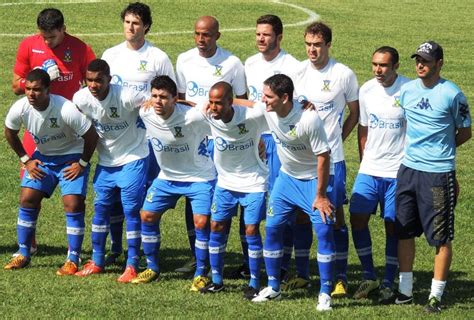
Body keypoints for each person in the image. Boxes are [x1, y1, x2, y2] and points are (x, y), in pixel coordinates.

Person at [11, 7, 96, 255]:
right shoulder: (29, 46)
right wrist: (37, 76)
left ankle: (75, 250)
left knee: (73, 195)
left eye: (53, 37)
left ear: (63, 29)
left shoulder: (80, 49)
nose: (47, 41)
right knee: (30, 186)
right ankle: (30, 243)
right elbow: (16, 86)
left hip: (70, 128)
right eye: (44, 37)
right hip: (37, 128)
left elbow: (94, 81)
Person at [395, 41, 471, 313]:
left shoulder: (452, 94)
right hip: (408, 171)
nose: (420, 64)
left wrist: (443, 151)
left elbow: (464, 132)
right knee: (403, 230)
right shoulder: (407, 91)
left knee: (440, 237)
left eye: (426, 60)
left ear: (440, 64)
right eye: (418, 59)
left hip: (437, 175)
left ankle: (435, 296)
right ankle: (404, 291)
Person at [250, 74, 335, 312]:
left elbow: (323, 157)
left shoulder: (309, 119)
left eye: (268, 97)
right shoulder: (269, 110)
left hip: (312, 181)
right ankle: (273, 287)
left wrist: (320, 195)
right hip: (285, 180)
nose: (264, 101)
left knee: (324, 230)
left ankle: (325, 293)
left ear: (285, 97)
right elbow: (244, 105)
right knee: (273, 228)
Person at [101, 1, 176, 266]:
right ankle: (116, 247)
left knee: (141, 194)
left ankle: (145, 247)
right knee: (113, 197)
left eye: (136, 23)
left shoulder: (158, 57)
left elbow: (171, 93)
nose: (130, 27)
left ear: (146, 26)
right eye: (127, 22)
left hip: (148, 136)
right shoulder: (111, 55)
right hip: (117, 136)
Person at [3, 69, 98, 275]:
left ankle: (73, 258)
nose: (31, 94)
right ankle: (23, 253)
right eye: (28, 89)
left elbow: (91, 135)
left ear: (48, 90)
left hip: (71, 157)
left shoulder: (65, 108)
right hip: (43, 158)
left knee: (72, 203)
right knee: (27, 198)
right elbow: (9, 131)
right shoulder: (20, 108)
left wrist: (81, 163)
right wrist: (26, 159)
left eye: (36, 90)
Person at [174, 15, 247, 273]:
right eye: (197, 34)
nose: (201, 40)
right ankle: (197, 255)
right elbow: (180, 101)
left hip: (223, 141)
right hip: (194, 141)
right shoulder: (184, 60)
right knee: (195, 195)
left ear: (218, 35)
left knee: (225, 194)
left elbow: (241, 103)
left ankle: (224, 255)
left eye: (206, 35)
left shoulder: (232, 63)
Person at [293, 21, 359, 298]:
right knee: (301, 215)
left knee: (334, 216)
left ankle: (340, 277)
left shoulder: (343, 74)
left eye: (317, 45)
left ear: (328, 45)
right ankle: (302, 274)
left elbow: (354, 113)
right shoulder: (296, 72)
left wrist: (336, 143)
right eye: (308, 44)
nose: (312, 49)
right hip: (301, 159)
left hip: (332, 161)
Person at [132, 76, 216, 291]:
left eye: (163, 97)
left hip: (199, 177)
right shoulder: (146, 113)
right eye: (155, 96)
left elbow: (222, 120)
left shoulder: (194, 117)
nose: (158, 101)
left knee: (201, 223)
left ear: (175, 99)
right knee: (147, 215)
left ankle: (201, 273)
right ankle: (152, 267)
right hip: (167, 177)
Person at [73, 59, 149, 283]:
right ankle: (97, 260)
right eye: (89, 80)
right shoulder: (81, 98)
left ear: (110, 80)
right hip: (106, 161)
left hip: (134, 157)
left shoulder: (127, 96)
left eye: (99, 80)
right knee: (101, 209)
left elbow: (157, 104)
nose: (93, 85)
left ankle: (133, 264)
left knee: (131, 210)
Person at [243, 14, 302, 284]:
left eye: (266, 34)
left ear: (279, 37)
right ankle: (251, 262)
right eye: (257, 34)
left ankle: (283, 264)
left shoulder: (293, 66)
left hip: (279, 143)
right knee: (253, 199)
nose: (260, 39)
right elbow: (250, 105)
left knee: (281, 203)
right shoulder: (250, 63)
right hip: (254, 141)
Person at [349, 46, 410, 303]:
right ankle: (368, 274)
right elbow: (363, 129)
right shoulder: (366, 90)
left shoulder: (409, 89)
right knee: (357, 217)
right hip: (370, 169)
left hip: (398, 171)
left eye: (383, 65)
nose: (377, 70)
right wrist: (365, 163)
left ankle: (388, 281)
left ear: (395, 66)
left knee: (392, 224)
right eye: (374, 64)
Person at [197, 82, 268, 299]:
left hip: (253, 182)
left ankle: (254, 282)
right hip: (225, 183)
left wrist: (306, 104)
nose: (213, 107)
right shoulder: (207, 115)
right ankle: (217, 280)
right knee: (216, 225)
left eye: (219, 103)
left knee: (250, 230)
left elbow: (272, 105)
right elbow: (182, 106)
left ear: (231, 102)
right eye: (211, 102)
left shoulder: (251, 116)